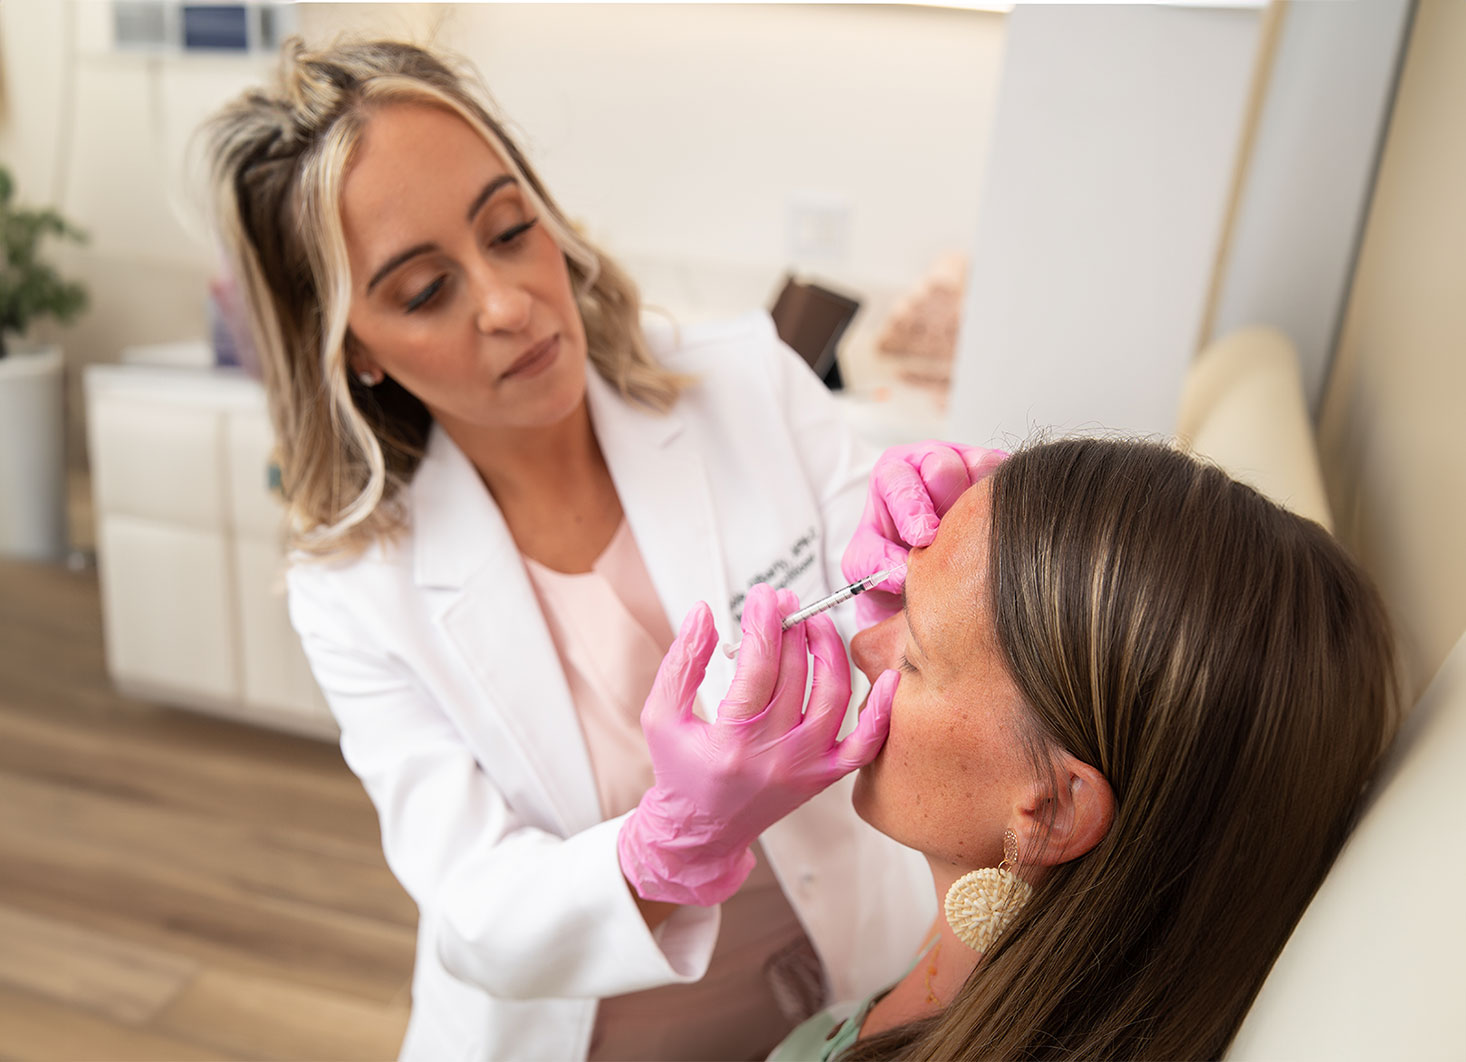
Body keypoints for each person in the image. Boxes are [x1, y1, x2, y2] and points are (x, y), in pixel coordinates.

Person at [203, 37, 1003, 1061]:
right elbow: (473, 911)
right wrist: (667, 845)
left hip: (852, 991)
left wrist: (943, 569)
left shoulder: (745, 384)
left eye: (509, 230)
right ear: (353, 345)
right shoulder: (355, 586)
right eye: (425, 291)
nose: (508, 304)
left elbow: (915, 648)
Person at [753, 437, 1400, 1061]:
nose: (863, 645)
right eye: (899, 602)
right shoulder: (990, 947)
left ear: (1054, 810)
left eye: (914, 659)